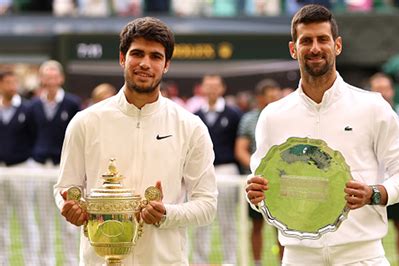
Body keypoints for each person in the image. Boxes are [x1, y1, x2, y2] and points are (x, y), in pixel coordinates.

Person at [245, 4, 399, 265]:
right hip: (299, 257)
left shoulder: (372, 106)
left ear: (337, 45)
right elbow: (264, 191)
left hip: (362, 255)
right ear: (294, 49)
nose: (315, 48)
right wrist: (256, 197)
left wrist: (373, 193)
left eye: (322, 39)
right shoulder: (273, 115)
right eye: (306, 41)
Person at [53, 17, 217, 265]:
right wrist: (71, 208)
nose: (145, 64)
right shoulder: (85, 122)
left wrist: (167, 214)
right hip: (100, 259)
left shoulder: (190, 126)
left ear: (167, 65)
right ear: (122, 58)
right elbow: (64, 188)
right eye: (137, 54)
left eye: (155, 57)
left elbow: (207, 205)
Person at [28, 59, 82, 266]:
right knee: (43, 219)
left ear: (60, 78)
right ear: (42, 79)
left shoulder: (72, 103)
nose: (50, 80)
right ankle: (45, 262)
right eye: (46, 76)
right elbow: (31, 134)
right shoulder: (32, 106)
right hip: (39, 167)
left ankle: (70, 262)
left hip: (65, 169)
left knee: (69, 222)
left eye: (54, 76)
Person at [193, 74, 242, 265]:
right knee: (199, 220)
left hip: (227, 170)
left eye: (215, 86)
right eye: (208, 86)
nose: (212, 89)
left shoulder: (234, 114)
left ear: (222, 88)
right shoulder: (195, 115)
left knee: (227, 220)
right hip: (201, 172)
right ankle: (199, 261)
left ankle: (230, 261)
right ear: (202, 89)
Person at [369, 72, 399, 266]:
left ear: (392, 90)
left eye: (385, 89)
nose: (382, 93)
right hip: (371, 183)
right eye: (377, 89)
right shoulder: (365, 116)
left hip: (396, 180)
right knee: (370, 228)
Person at [235, 78, 283, 266]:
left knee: (282, 226)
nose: (273, 100)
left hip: (281, 181)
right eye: (269, 97)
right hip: (256, 181)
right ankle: (256, 263)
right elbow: (240, 149)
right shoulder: (249, 119)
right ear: (260, 98)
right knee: (256, 225)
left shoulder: (285, 118)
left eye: (276, 96)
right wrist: (259, 170)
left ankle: (283, 262)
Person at [0, 70, 39, 265]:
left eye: (14, 82)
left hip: (22, 169)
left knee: (26, 218)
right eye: (7, 82)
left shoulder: (28, 109)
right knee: (1, 221)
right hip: (1, 171)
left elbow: (35, 136)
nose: (11, 86)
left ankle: (31, 261)